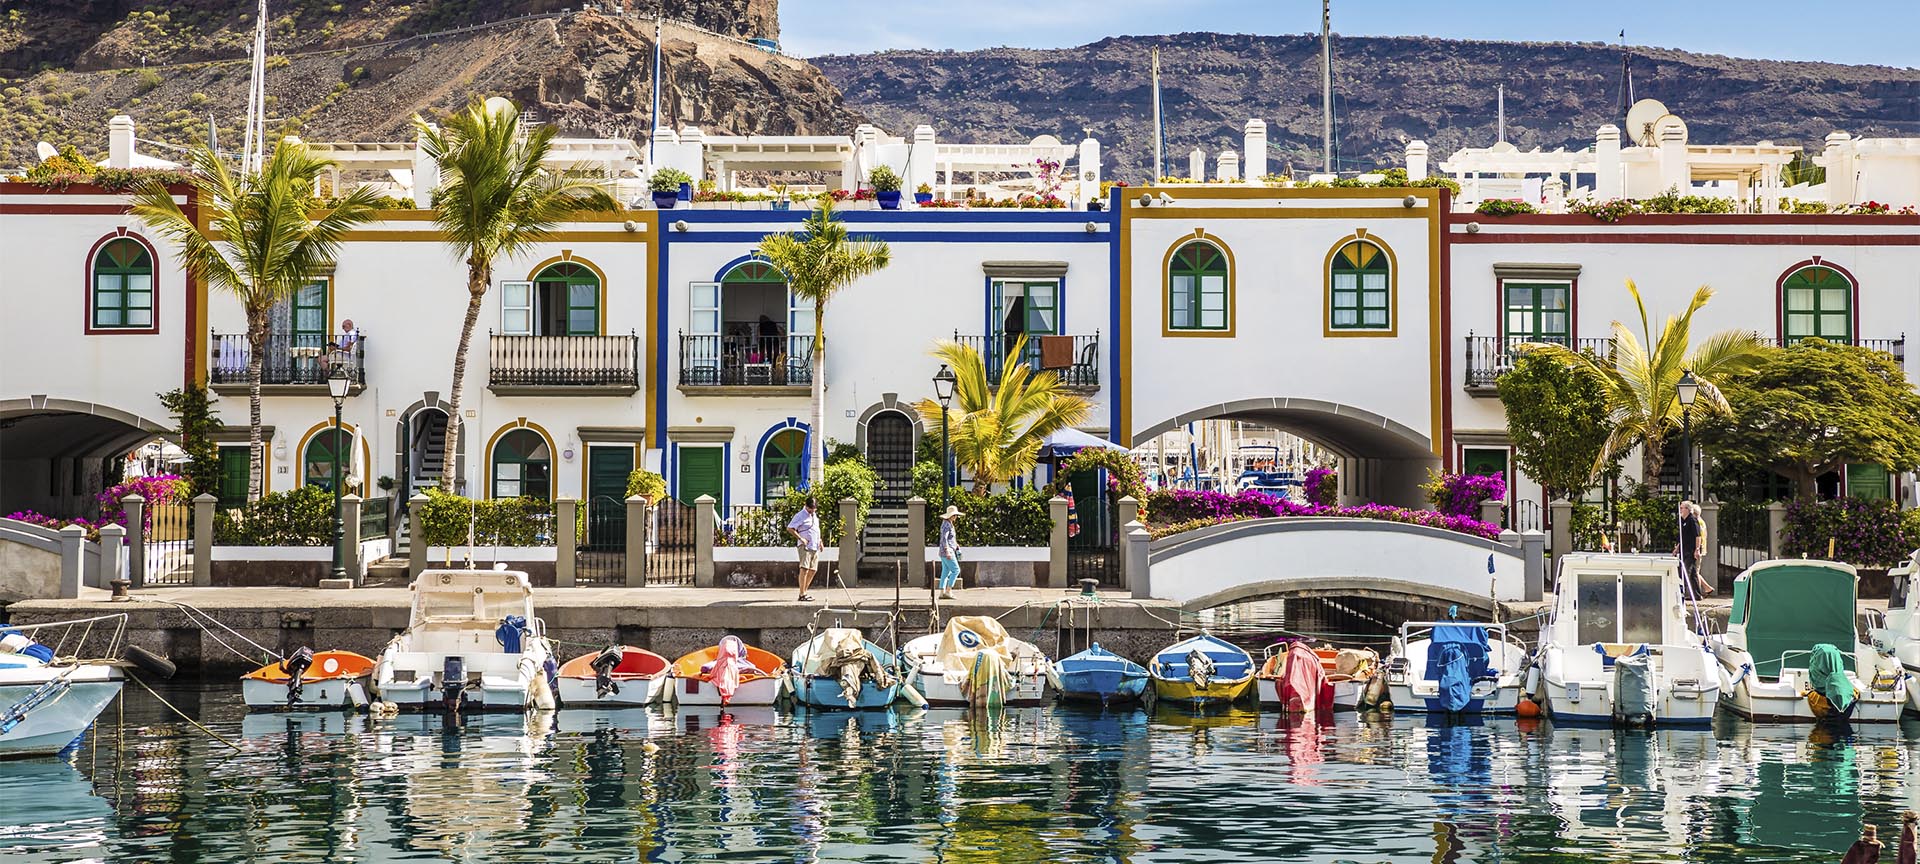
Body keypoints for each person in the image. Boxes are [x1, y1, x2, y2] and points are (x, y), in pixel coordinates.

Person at [787, 496, 822, 602]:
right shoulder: (800, 515)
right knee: (804, 568)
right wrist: (801, 538)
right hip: (805, 546)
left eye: (814, 509)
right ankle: (802, 594)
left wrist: (820, 540)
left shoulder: (814, 516)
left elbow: (816, 529)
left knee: (813, 570)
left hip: (814, 546)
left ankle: (804, 591)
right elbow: (790, 528)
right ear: (806, 506)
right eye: (811, 508)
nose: (812, 510)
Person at [1676, 500, 1710, 597]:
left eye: (1682, 508)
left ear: (1688, 509)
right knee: (1693, 574)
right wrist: (1677, 548)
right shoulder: (1683, 520)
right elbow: (1682, 537)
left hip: (1690, 550)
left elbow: (1697, 536)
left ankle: (1682, 593)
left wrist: (1697, 549)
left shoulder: (1692, 520)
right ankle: (1697, 594)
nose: (1680, 510)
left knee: (1686, 571)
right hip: (1684, 549)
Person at [937, 505, 963, 600]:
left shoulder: (948, 523)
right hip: (948, 551)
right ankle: (948, 591)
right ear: (950, 516)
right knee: (956, 570)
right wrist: (947, 550)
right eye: (955, 515)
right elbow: (944, 538)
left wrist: (956, 545)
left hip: (946, 551)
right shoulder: (947, 525)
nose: (956, 517)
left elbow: (950, 538)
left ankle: (942, 592)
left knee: (945, 572)